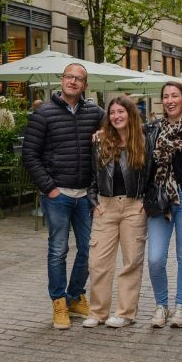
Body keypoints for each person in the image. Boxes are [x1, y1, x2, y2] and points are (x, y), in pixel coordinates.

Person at [23, 63, 104, 329]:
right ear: (62, 80)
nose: (73, 82)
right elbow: (30, 155)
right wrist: (50, 188)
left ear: (85, 85)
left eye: (78, 79)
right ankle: (58, 302)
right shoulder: (43, 113)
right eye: (69, 77)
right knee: (58, 250)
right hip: (58, 195)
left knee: (88, 250)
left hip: (85, 196)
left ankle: (75, 296)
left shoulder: (95, 112)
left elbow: (116, 131)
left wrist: (105, 135)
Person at [83, 96, 149, 328]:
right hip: (105, 207)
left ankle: (125, 313)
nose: (116, 116)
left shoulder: (143, 140)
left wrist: (146, 201)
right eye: (112, 112)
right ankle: (97, 312)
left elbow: (152, 172)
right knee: (97, 261)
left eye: (121, 111)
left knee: (131, 261)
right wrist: (94, 201)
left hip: (134, 206)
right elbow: (91, 175)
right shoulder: (100, 141)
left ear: (130, 114)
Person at [145, 82, 182, 328]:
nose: (170, 100)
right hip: (159, 199)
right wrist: (102, 133)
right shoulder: (153, 129)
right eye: (165, 96)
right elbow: (126, 136)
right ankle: (161, 305)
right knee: (155, 258)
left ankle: (180, 307)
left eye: (175, 95)